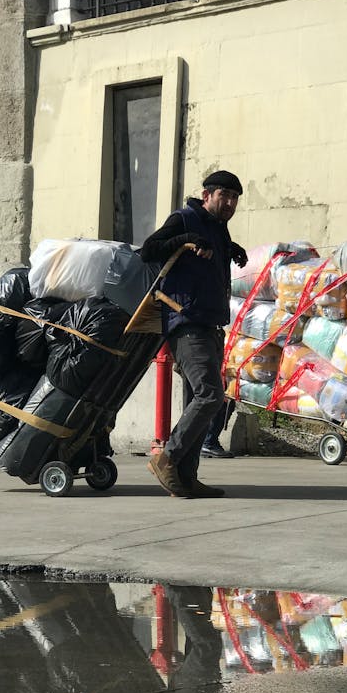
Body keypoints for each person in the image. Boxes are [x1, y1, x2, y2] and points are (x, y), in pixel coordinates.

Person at [140, 170, 247, 498]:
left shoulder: (218, 230)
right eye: (223, 196)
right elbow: (149, 250)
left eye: (234, 198)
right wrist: (184, 241)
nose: (229, 203)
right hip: (187, 325)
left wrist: (233, 249)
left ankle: (186, 478)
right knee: (210, 395)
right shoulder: (185, 219)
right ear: (207, 195)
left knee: (196, 401)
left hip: (211, 325)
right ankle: (167, 457)